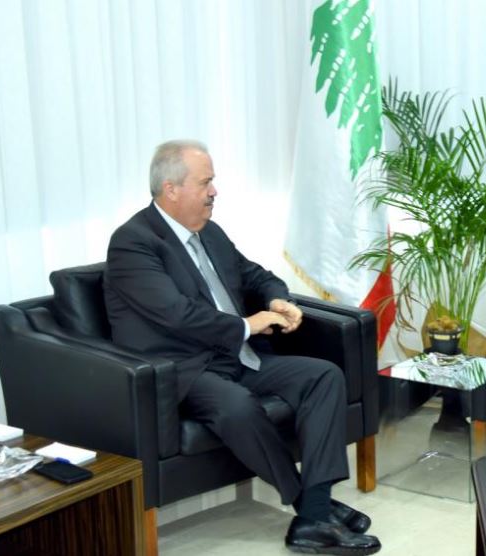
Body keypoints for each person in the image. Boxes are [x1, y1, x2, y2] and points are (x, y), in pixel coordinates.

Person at [104, 140, 380, 555]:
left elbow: (255, 275)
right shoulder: (133, 243)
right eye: (205, 182)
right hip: (182, 367)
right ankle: (312, 509)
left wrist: (277, 300)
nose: (214, 191)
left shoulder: (209, 233)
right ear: (171, 189)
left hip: (236, 356)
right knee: (237, 406)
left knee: (323, 376)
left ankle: (314, 516)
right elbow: (176, 314)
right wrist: (248, 325)